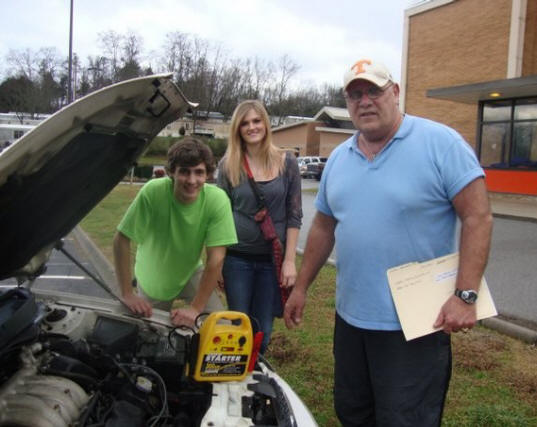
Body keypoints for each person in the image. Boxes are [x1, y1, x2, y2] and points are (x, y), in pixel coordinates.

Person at [284, 59, 493, 426]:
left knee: (405, 419)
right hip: (351, 320)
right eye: (354, 95)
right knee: (353, 411)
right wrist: (301, 287)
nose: (364, 101)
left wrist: (465, 296)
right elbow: (323, 227)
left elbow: (478, 217)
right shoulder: (340, 160)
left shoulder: (440, 143)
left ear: (395, 93)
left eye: (373, 91)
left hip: (414, 324)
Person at [113, 137, 237, 327]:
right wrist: (127, 293)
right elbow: (121, 239)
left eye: (199, 172)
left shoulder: (217, 200)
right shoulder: (153, 192)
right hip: (154, 274)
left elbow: (216, 259)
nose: (192, 180)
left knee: (220, 327)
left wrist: (195, 309)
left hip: (190, 270)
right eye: (184, 172)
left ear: (209, 175)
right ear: (171, 172)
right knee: (151, 334)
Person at [217, 100, 302, 353]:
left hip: (271, 262)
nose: (252, 127)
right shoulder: (227, 165)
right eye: (245, 123)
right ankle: (235, 381)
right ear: (237, 129)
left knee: (262, 331)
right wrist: (217, 262)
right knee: (237, 328)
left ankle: (256, 377)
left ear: (265, 123)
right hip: (236, 260)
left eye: (256, 121)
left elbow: (294, 215)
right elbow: (218, 217)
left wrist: (289, 261)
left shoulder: (287, 163)